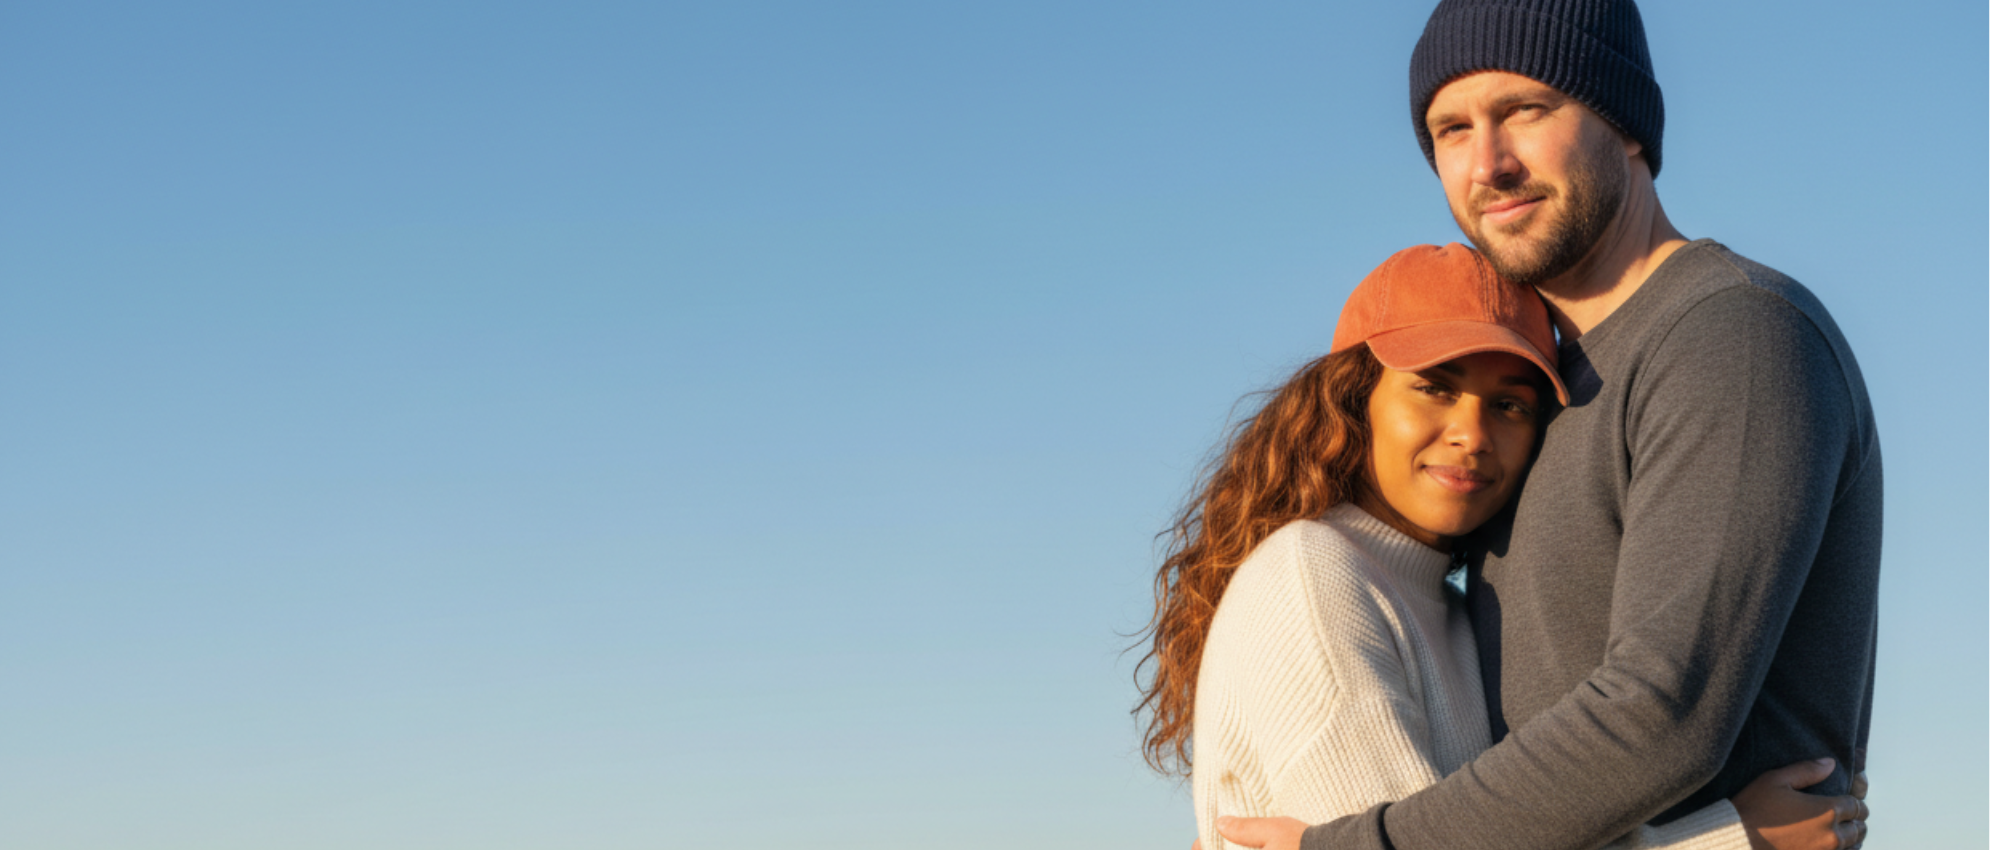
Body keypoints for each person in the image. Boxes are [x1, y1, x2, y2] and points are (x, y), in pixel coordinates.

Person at [1211, 2, 1880, 849]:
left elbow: (1660, 712)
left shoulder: (1732, 334)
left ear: (1627, 125)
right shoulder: (1552, 386)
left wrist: (1350, 848)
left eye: (1526, 110)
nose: (1488, 163)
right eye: (1451, 129)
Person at [1136, 244, 1857, 850]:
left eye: (1509, 405)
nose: (1471, 434)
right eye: (1434, 388)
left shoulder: (1444, 605)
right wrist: (1727, 841)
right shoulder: (1312, 576)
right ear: (1351, 402)